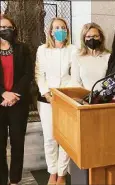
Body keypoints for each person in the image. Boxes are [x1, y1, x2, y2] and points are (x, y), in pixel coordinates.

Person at [35, 17, 77, 185]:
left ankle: (62, 174)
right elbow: (39, 75)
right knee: (50, 138)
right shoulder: (42, 50)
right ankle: (52, 172)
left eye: (63, 27)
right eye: (57, 28)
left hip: (66, 99)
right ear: (51, 31)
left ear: (67, 31)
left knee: (65, 139)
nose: (60, 30)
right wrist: (47, 95)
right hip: (47, 100)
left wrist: (65, 96)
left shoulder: (73, 49)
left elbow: (75, 76)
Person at [0, 14, 33, 185]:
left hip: (18, 103)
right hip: (0, 102)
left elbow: (28, 73)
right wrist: (3, 93)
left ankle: (14, 180)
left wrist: (14, 94)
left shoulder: (23, 48)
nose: (4, 30)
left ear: (14, 29)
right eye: (1, 28)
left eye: (8, 27)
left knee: (17, 144)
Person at [70, 23, 110, 91]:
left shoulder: (108, 56)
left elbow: (109, 82)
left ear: (100, 38)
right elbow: (75, 82)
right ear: (84, 39)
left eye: (95, 36)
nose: (92, 39)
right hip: (84, 98)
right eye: (88, 37)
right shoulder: (77, 56)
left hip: (103, 98)